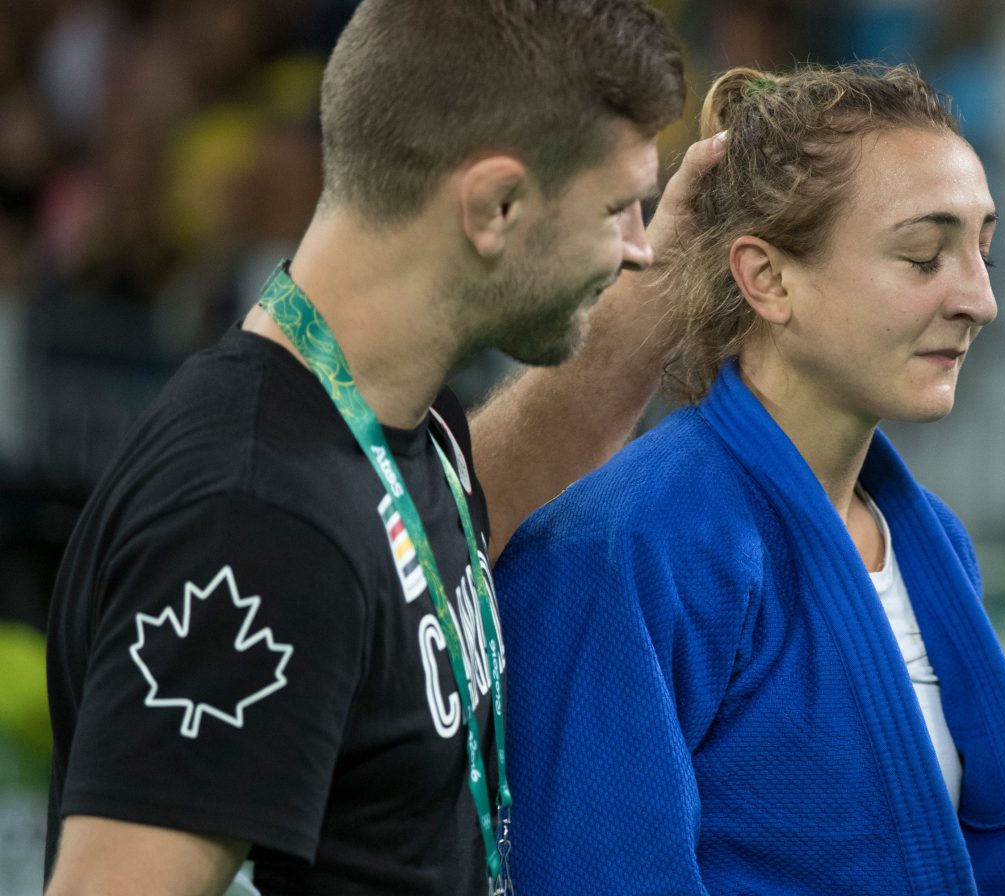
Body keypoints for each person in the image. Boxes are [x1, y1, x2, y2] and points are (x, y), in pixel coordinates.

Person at [41, 1, 717, 892]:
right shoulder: (253, 520)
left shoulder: (388, 427)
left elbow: (436, 534)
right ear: (496, 206)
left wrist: (683, 264)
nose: (637, 249)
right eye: (618, 207)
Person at [496, 63, 1005, 894]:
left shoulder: (936, 543)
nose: (979, 299)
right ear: (767, 278)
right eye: (923, 256)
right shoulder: (627, 546)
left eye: (984, 252)